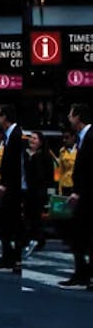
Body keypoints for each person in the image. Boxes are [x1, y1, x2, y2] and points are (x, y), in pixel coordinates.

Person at [0, 105, 26, 271]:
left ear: (4, 116)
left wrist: (6, 184)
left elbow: (17, 165)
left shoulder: (18, 135)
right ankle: (8, 257)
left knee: (13, 224)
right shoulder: (10, 135)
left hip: (13, 188)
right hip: (8, 186)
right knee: (5, 224)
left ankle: (14, 258)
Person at [63, 104, 92, 287]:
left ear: (78, 117)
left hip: (88, 197)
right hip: (83, 196)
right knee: (78, 237)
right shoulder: (83, 138)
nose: (68, 117)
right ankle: (81, 274)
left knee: (85, 236)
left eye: (70, 114)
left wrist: (80, 193)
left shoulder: (91, 137)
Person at [25, 130, 55, 259]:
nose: (31, 140)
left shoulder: (45, 156)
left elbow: (48, 176)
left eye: (35, 138)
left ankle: (38, 239)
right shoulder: (26, 154)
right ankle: (30, 238)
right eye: (30, 138)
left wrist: (48, 191)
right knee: (28, 215)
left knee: (36, 216)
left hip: (39, 191)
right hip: (28, 189)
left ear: (41, 142)